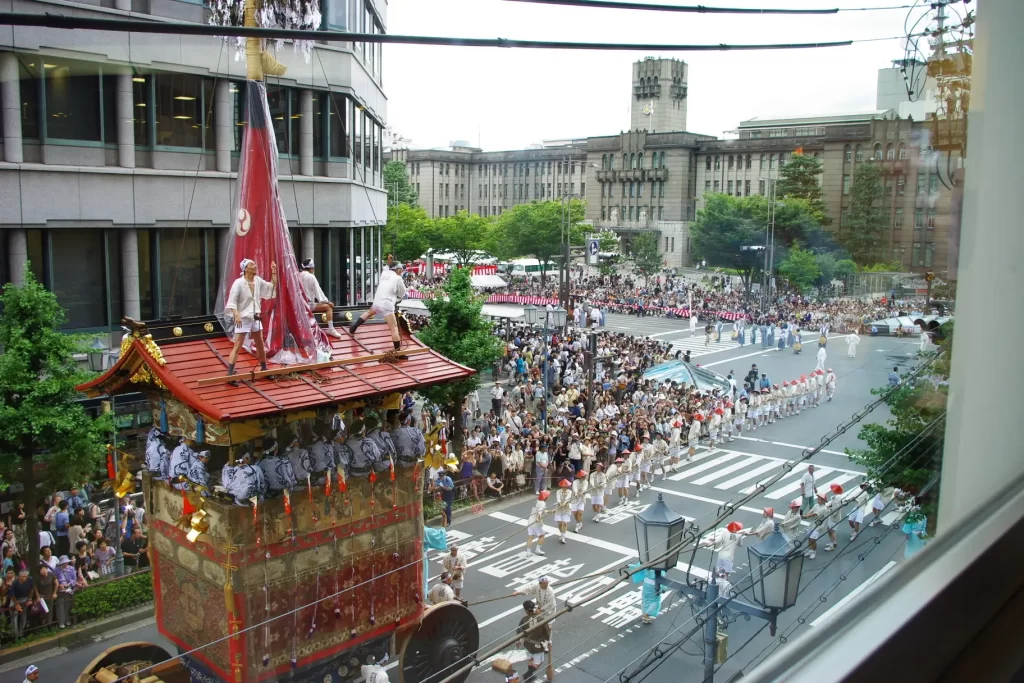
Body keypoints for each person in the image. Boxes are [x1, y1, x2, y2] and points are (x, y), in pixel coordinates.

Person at [224, 258, 278, 380]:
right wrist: (236, 314)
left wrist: (274, 272)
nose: (255, 266)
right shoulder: (238, 283)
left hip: (255, 317)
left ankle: (264, 368)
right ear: (245, 268)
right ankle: (230, 373)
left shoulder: (257, 281)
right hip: (243, 318)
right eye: (252, 265)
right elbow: (232, 301)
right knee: (238, 345)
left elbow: (271, 288)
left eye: (255, 264)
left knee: (260, 344)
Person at [350, 256, 408, 354]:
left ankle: (353, 328)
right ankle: (397, 351)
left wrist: (389, 261)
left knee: (369, 312)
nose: (402, 271)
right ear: (398, 269)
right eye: (401, 269)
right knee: (394, 328)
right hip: (387, 304)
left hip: (377, 301)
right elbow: (402, 294)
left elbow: (387, 266)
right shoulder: (398, 278)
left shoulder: (384, 273)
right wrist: (397, 296)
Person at [298, 258, 341, 338]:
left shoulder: (298, 275)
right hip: (308, 305)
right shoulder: (311, 277)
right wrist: (327, 302)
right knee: (328, 307)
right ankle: (331, 329)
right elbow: (318, 292)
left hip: (299, 305)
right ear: (311, 268)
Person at [516, 600, 551, 683]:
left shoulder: (524, 620)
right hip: (537, 645)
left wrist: (519, 641)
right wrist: (548, 641)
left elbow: (519, 631)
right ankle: (527, 674)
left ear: (526, 610)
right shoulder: (541, 618)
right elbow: (547, 632)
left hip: (527, 644)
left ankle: (530, 676)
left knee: (531, 658)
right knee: (539, 661)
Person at [526, 491, 548, 556]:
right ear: (545, 497)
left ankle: (528, 552)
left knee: (530, 537)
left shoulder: (537, 501)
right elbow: (540, 512)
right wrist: (538, 518)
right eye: (547, 496)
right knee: (542, 535)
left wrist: (551, 511)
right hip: (536, 522)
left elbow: (543, 511)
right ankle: (538, 549)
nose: (547, 497)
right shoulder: (542, 503)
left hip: (530, 521)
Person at [553, 480, 573, 545]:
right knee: (559, 523)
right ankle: (561, 534)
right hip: (559, 508)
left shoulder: (570, 491)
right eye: (564, 486)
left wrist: (564, 503)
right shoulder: (558, 491)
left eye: (566, 486)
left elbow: (568, 498)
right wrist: (560, 503)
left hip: (566, 508)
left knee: (564, 523)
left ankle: (563, 536)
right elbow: (558, 499)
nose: (565, 488)